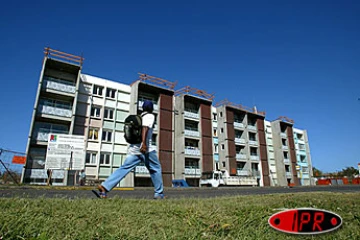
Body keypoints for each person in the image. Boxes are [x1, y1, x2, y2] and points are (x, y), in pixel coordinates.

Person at [92, 100, 165, 199]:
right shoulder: (149, 116)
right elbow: (145, 128)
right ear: (151, 108)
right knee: (156, 169)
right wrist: (144, 144)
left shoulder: (139, 117)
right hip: (146, 149)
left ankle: (105, 186)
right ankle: (159, 194)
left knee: (124, 168)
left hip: (133, 149)